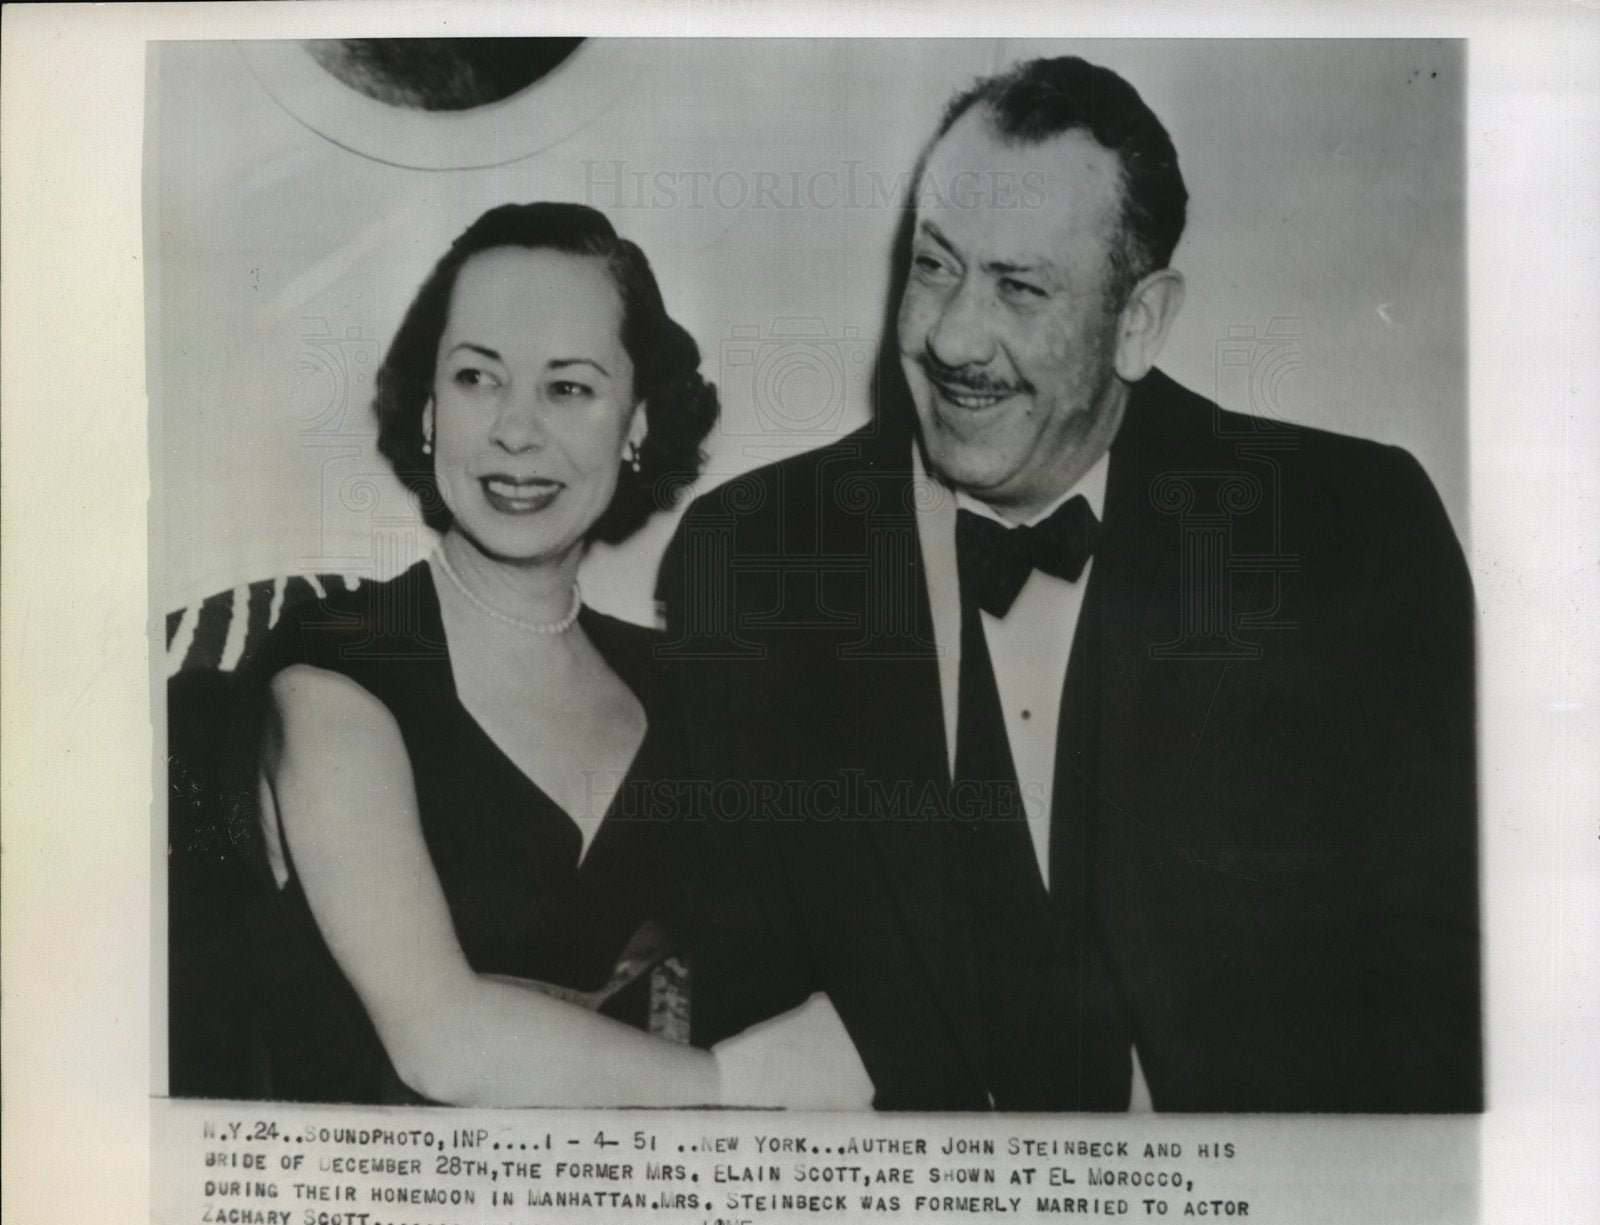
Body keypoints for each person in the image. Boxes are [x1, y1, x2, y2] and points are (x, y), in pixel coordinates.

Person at [659, 56, 1481, 1112]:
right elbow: (747, 1008)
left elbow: (1445, 1003)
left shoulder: (1347, 532)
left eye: (1019, 286)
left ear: (1138, 321)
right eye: (934, 265)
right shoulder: (751, 558)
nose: (951, 336)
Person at [243, 202, 865, 1108]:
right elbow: (441, 1042)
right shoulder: (333, 667)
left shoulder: (684, 684)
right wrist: (742, 1081)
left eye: (568, 387)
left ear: (638, 422)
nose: (516, 431)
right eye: (476, 378)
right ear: (427, 410)